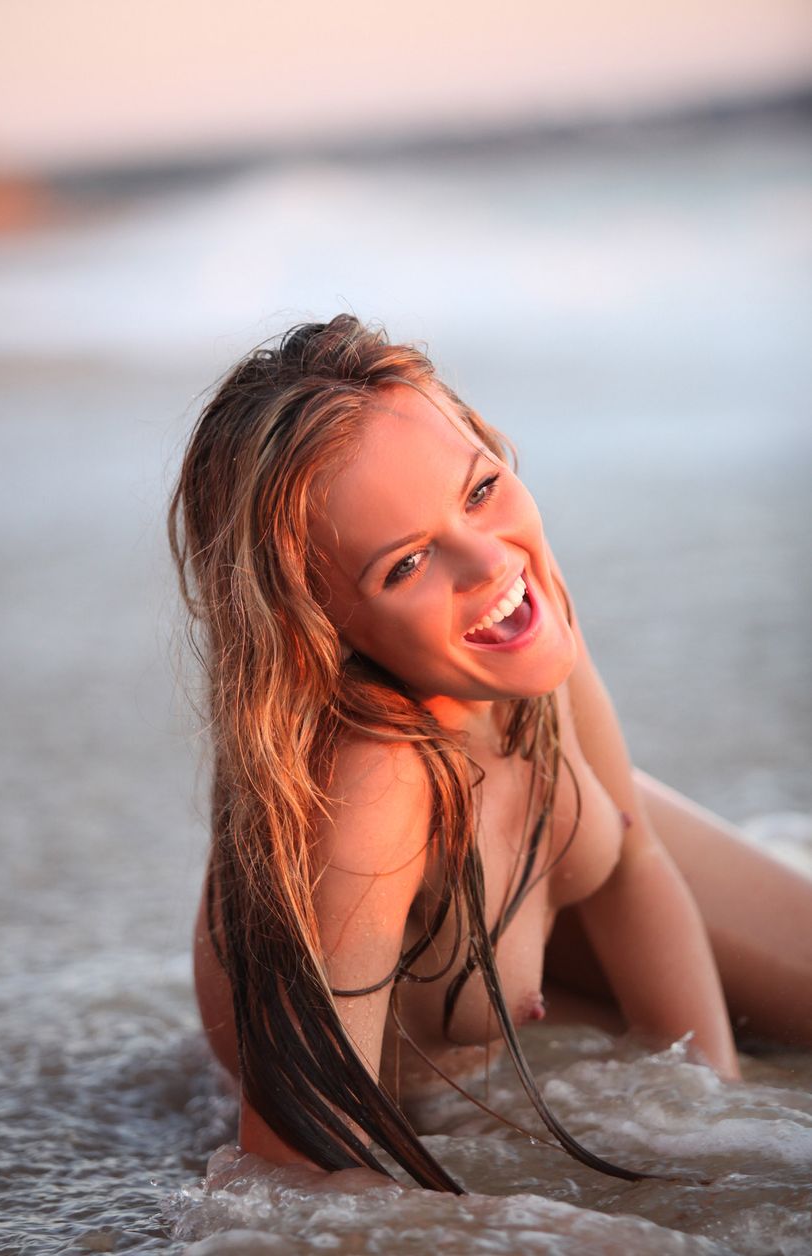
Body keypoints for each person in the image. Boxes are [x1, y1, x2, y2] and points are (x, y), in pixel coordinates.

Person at [169, 314, 812, 1194]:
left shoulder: (520, 613)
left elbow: (629, 857)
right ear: (316, 630)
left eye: (478, 490)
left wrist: (717, 1116)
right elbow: (291, 1180)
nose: (486, 563)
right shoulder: (376, 787)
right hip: (442, 1023)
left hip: (525, 910)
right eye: (405, 565)